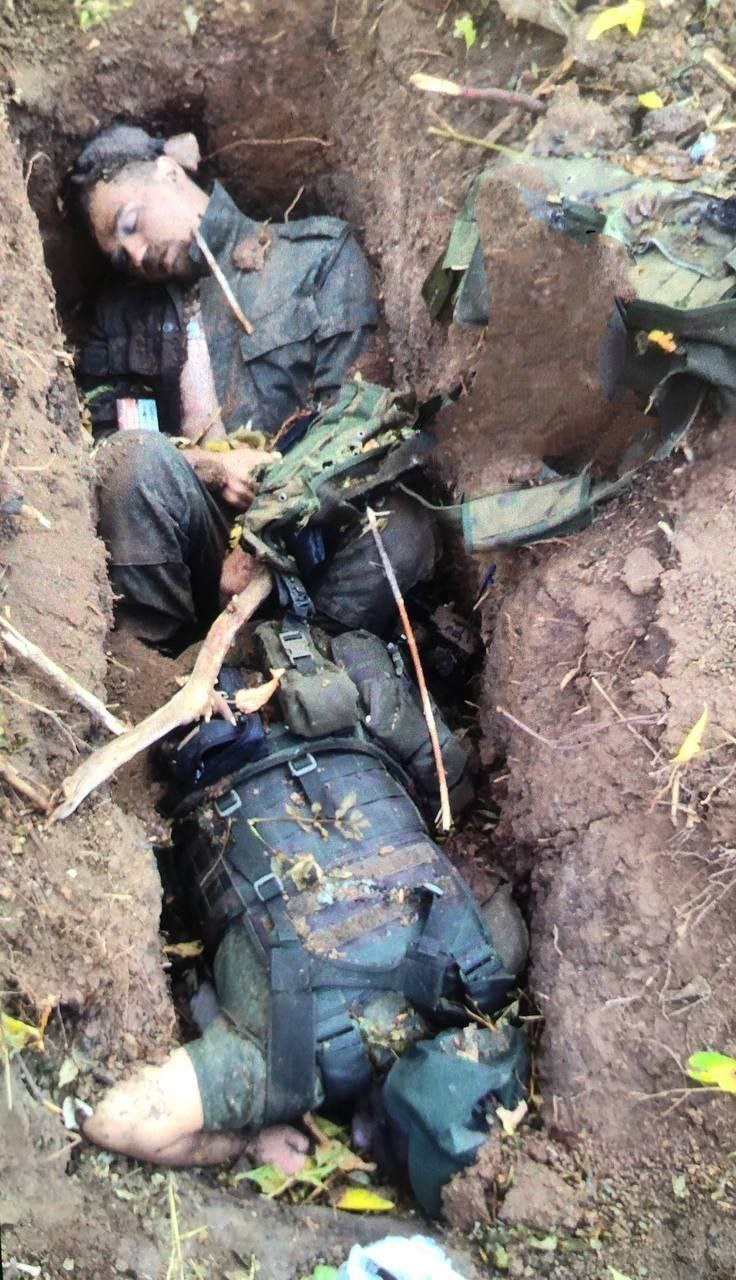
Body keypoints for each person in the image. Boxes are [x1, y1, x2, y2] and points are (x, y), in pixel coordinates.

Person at [81, 620, 530, 1214]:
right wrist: (245, 1140)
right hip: (193, 719)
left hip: (303, 683)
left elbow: (471, 848)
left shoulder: (487, 960)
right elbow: (118, 1120)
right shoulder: (284, 1069)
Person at [70, 126, 437, 646]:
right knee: (134, 463)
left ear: (169, 173)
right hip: (194, 542)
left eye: (129, 223)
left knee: (401, 529)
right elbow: (104, 445)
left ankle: (298, 656)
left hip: (309, 532)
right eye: (117, 252)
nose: (132, 252)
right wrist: (213, 467)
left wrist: (263, 531)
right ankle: (150, 665)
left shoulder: (316, 257)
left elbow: (357, 420)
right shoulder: (119, 315)